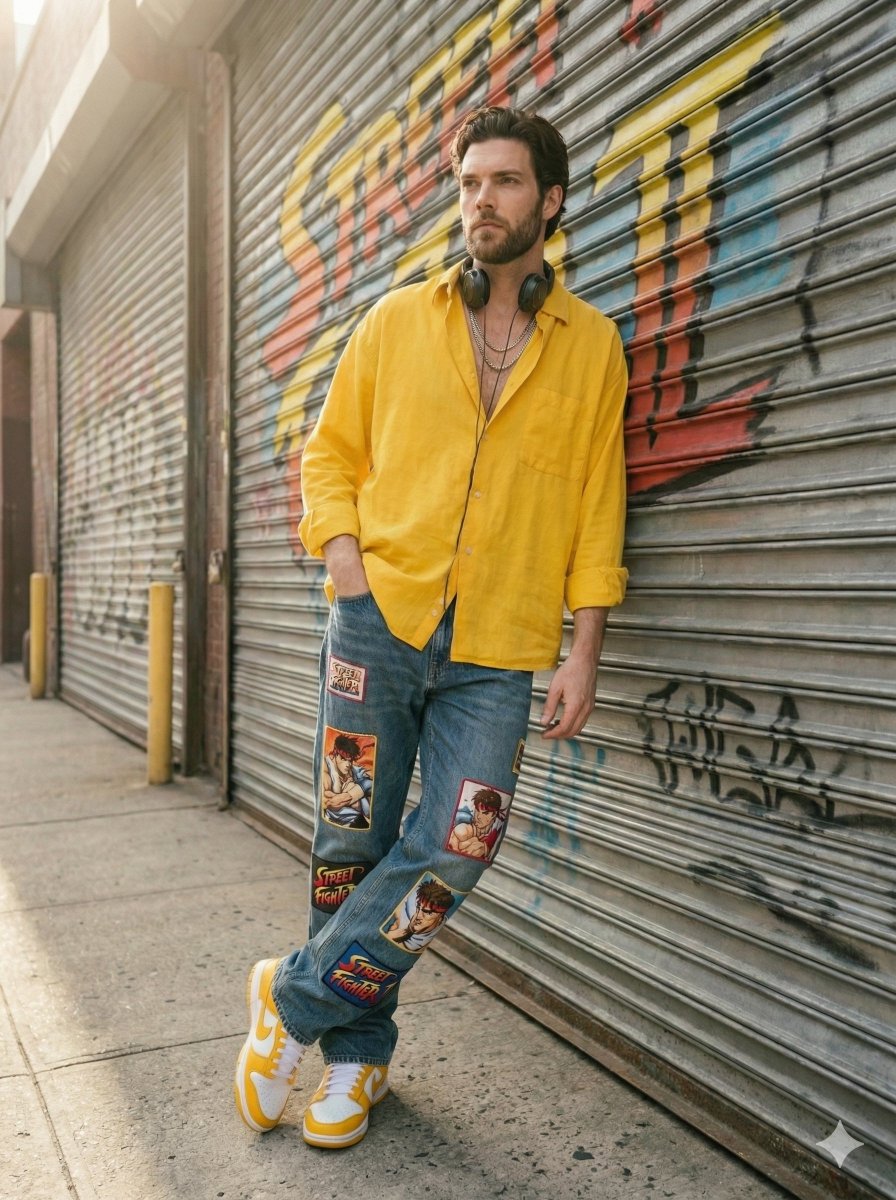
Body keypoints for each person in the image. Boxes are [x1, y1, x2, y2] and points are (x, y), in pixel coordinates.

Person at [234, 104, 629, 1151]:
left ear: (548, 200)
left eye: (502, 183)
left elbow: (597, 505)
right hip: (378, 623)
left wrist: (582, 646)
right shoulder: (394, 322)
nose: (479, 203)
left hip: (499, 647)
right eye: (466, 184)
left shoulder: (589, 349)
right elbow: (327, 456)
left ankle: (295, 998)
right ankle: (356, 1061)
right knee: (349, 842)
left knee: (460, 839)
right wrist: (348, 574)